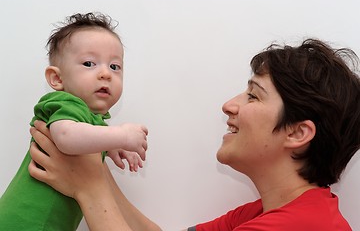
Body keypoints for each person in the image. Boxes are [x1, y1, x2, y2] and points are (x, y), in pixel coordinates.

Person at [28, 39, 360, 231]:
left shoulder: (300, 226)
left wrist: (89, 189)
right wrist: (94, 165)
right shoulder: (270, 212)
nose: (229, 105)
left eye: (254, 95)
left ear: (298, 132)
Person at [0, 12, 148, 231]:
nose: (105, 73)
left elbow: (84, 136)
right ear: (57, 79)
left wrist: (111, 145)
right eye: (89, 63)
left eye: (115, 66)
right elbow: (67, 138)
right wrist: (122, 135)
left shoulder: (88, 118)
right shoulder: (65, 102)